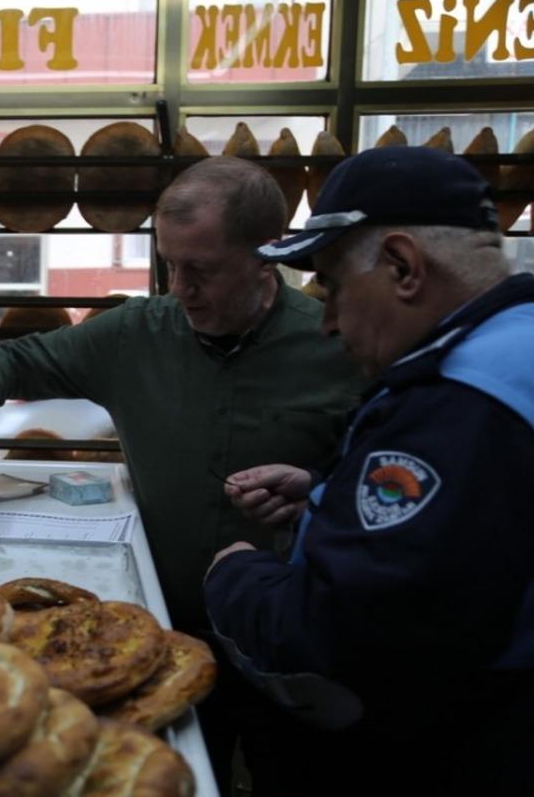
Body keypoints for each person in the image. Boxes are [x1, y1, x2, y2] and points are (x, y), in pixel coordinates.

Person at [0, 155, 364, 793]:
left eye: (202, 269)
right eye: (169, 264)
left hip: (290, 639)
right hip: (163, 629)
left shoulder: (338, 344)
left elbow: (386, 480)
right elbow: (3, 362)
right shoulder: (136, 334)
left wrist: (319, 492)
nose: (181, 288)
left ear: (266, 256)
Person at [205, 146, 534, 794]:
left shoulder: (462, 404)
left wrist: (234, 575)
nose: (327, 323)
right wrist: (327, 493)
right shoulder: (510, 348)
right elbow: (466, 535)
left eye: (331, 286)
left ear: (403, 267)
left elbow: (341, 640)